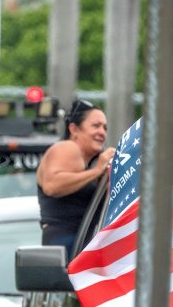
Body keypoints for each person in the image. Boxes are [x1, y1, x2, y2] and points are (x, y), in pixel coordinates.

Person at [36, 100, 116, 258]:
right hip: (67, 244)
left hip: (80, 242)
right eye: (96, 126)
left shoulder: (88, 162)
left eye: (105, 128)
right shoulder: (67, 148)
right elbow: (52, 185)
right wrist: (97, 171)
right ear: (74, 129)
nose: (102, 132)